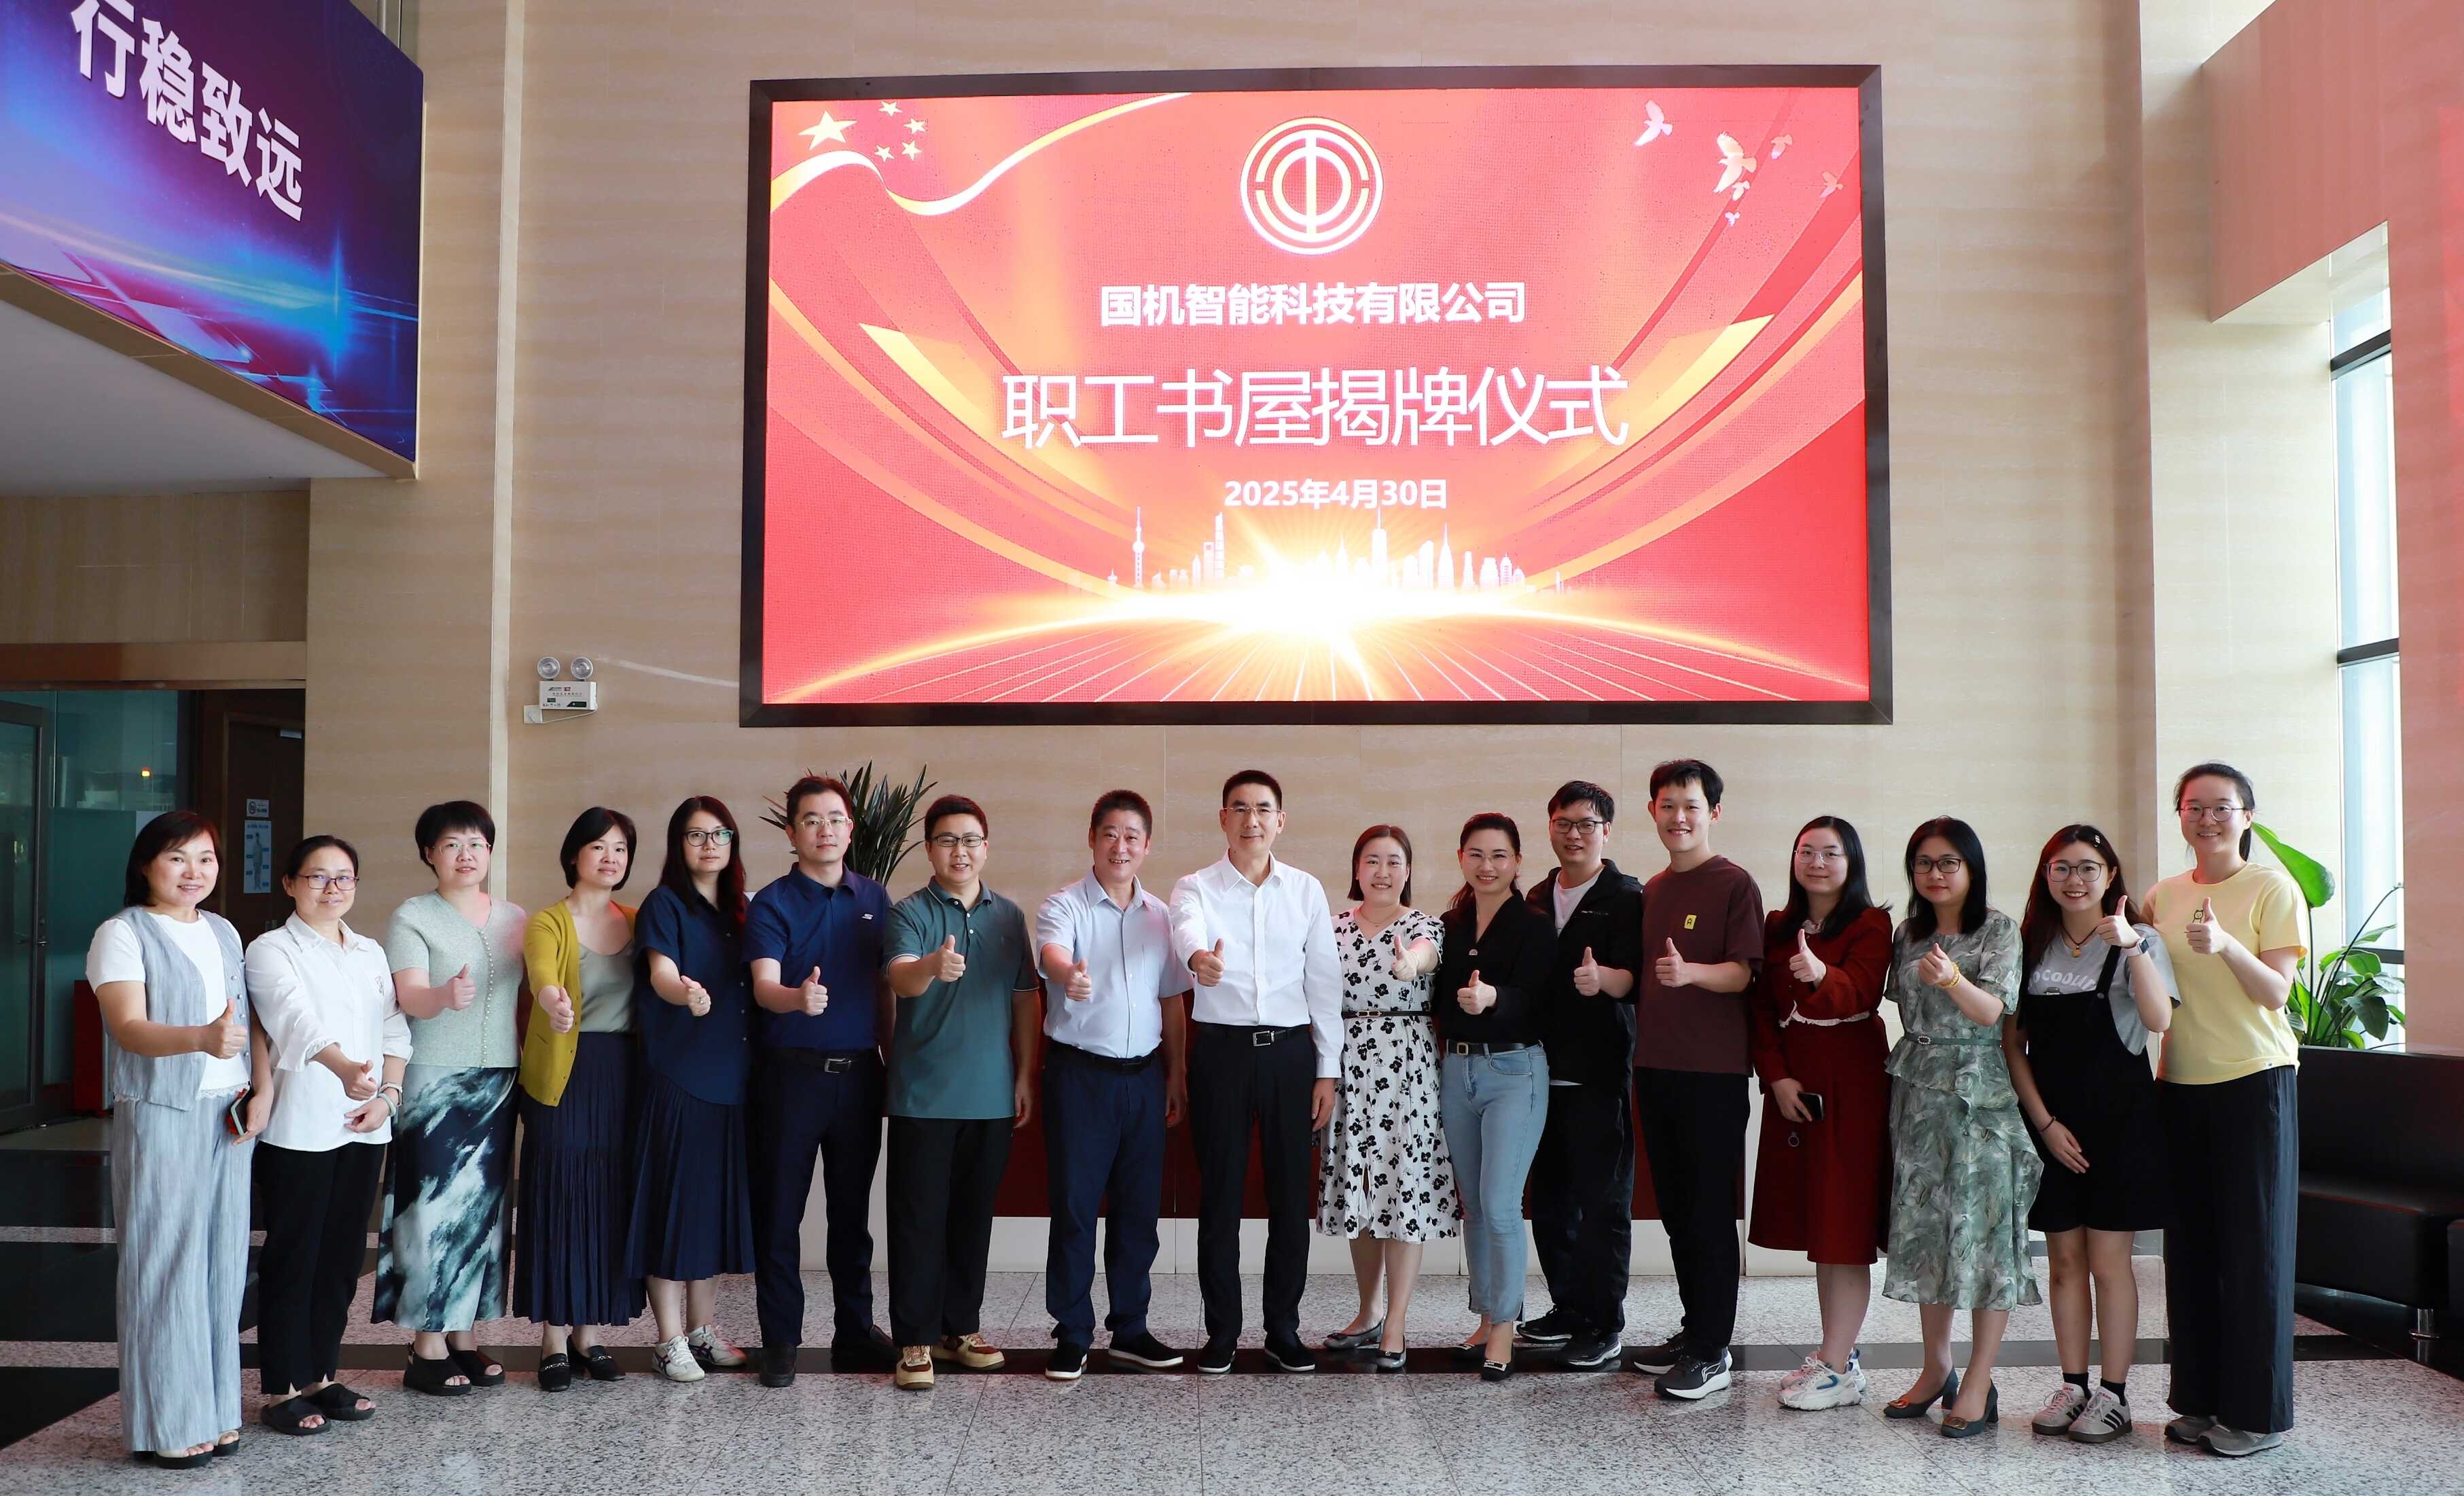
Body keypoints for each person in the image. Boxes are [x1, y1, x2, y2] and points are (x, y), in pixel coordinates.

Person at [90, 811, 268, 1465]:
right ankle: (167, 1424)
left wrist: (262, 1091)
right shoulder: (122, 933)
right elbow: (128, 1028)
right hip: (163, 1111)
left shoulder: (223, 930)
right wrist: (199, 1038)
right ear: (146, 865)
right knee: (164, 1265)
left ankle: (214, 1411)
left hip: (229, 1111)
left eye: (206, 859)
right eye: (177, 858)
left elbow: (248, 1024)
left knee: (222, 1265)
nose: (194, 872)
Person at [2146, 763, 2304, 1459]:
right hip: (2181, 1080)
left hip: (2253, 1079)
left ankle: (2256, 1416)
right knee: (2191, 1251)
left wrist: (2228, 945)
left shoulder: (2271, 887)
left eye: (2221, 807)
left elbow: (2276, 993)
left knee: (2254, 1252)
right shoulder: (2163, 894)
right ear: (2179, 815)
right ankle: (2201, 1400)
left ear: (2246, 816)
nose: (2206, 819)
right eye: (2194, 807)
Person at [2004, 823, 2176, 1444]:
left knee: (2109, 1263)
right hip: (2053, 1126)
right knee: (2063, 1263)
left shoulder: (2139, 938)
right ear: (2045, 875)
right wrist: (2044, 1125)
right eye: (2061, 868)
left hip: (2120, 1123)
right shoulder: (2031, 943)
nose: (2073, 880)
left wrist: (2131, 947)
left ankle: (2114, 1395)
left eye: (2086, 868)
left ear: (2109, 877)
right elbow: (2013, 1045)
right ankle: (2072, 1385)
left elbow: (2157, 1019)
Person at [1169, 769, 1342, 1375]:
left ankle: (1282, 1330)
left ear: (1280, 821)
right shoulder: (1194, 887)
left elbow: (1323, 983)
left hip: (1291, 1056)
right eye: (1239, 808)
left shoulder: (1305, 890)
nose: (1252, 820)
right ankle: (1221, 1332)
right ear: (1223, 819)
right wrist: (1198, 959)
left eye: (1263, 809)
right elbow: (1185, 932)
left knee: (1289, 1197)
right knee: (1219, 1194)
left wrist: (1327, 1070)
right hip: (1221, 1054)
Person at [245, 835, 411, 1433]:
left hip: (364, 1126)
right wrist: (344, 1069)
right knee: (295, 1256)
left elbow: (394, 1028)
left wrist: (388, 1097)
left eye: (344, 877)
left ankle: (321, 1375)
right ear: (290, 884)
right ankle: (281, 1388)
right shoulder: (270, 949)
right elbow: (293, 1020)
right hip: (300, 1127)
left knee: (341, 1259)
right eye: (317, 877)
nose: (332, 888)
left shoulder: (368, 951)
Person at [1880, 816, 2038, 1438]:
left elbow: (1993, 1011)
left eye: (1949, 862)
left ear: (1971, 868)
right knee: (1927, 1232)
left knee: (1982, 1235)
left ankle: (1978, 1380)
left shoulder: (1997, 929)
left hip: (1978, 1095)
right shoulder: (1907, 933)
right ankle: (1935, 1368)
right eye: (1923, 863)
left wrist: (1952, 979)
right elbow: (1898, 1003)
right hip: (1917, 1089)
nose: (1935, 873)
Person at [882, 794, 1041, 1390]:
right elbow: (900, 977)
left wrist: (1024, 1075)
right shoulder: (909, 912)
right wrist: (930, 967)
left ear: (986, 848)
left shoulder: (1009, 917)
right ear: (929, 849)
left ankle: (959, 1331)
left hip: (991, 1096)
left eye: (971, 840)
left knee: (972, 1221)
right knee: (918, 1221)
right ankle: (914, 1340)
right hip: (923, 1098)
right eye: (947, 840)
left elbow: (1024, 999)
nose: (960, 851)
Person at [1033, 790, 1191, 1380]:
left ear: (1146, 846)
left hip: (1144, 1079)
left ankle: (1130, 1328)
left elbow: (1171, 1000)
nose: (1119, 847)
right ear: (1092, 839)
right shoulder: (1064, 906)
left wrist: (1176, 1074)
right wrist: (1067, 974)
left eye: (1131, 837)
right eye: (1109, 834)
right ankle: (1072, 1332)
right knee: (1075, 1209)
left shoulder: (1161, 916)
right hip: (1080, 1076)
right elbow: (1052, 953)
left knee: (1138, 1212)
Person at [746, 774, 897, 1385]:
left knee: (852, 1217)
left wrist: (892, 1061)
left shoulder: (875, 897)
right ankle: (781, 1339)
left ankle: (855, 1332)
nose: (825, 830)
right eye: (811, 820)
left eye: (835, 819)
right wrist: (796, 999)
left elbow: (885, 990)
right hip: (791, 1078)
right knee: (779, 1214)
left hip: (860, 1077)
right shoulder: (772, 902)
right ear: (792, 832)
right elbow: (763, 986)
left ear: (850, 829)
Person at [1626, 760, 1765, 1398]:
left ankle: (1713, 1351)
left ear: (1713, 812)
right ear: (1652, 812)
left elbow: (1743, 973)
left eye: (1690, 806)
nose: (1677, 817)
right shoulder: (1653, 889)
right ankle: (1694, 1330)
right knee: (1678, 1212)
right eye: (1666, 806)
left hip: (1713, 1074)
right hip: (1655, 1068)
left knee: (1708, 1213)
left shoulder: (1734, 883)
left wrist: (1691, 974)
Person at [378, 802, 524, 1395]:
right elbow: (409, 995)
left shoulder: (515, 918)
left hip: (499, 1078)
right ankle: (426, 1346)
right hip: (433, 1079)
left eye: (477, 844)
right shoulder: (413, 916)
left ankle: (463, 1334)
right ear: (428, 854)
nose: (467, 855)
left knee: (484, 1213)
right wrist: (442, 996)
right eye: (452, 844)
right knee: (431, 1210)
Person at [1747, 816, 1893, 1410]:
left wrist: (1819, 975)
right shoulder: (1777, 924)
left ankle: (1837, 1364)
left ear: (1850, 862)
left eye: (1830, 853)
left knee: (1845, 1227)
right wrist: (1776, 1076)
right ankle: (1836, 1357)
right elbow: (1759, 1009)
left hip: (1852, 1081)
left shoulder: (1871, 922)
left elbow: (1860, 991)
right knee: (1819, 1226)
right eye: (1806, 851)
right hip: (1795, 1080)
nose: (1816, 863)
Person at [513, 807, 645, 1388]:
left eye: (620, 848)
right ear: (573, 855)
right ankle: (553, 1338)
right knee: (560, 1196)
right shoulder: (549, 920)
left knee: (609, 1199)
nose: (610, 857)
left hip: (624, 1074)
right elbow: (542, 973)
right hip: (564, 1073)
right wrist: (553, 1001)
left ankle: (589, 1334)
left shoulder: (638, 920)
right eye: (598, 846)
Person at [628, 797, 758, 1383]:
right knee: (671, 1208)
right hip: (679, 1075)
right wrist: (684, 991)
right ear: (678, 845)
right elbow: (661, 972)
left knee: (709, 1211)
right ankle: (668, 1338)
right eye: (696, 835)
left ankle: (702, 1330)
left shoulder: (741, 909)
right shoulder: (665, 904)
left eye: (720, 834)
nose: (709, 845)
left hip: (732, 1078)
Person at [1315, 823, 1452, 1372]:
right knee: (1361, 1190)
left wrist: (1408, 963)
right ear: (1356, 869)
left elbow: (1425, 956)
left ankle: (1395, 1322)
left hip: (1407, 1071)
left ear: (1408, 871)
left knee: (1403, 1189)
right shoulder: (1329, 928)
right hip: (1347, 1066)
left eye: (1394, 861)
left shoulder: (1424, 925)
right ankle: (1368, 1311)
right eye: (1372, 860)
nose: (1382, 871)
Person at [1520, 780, 1641, 1371]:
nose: (1574, 834)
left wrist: (1605, 981)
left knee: (1602, 1205)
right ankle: (1567, 1306)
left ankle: (1603, 1322)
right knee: (1550, 1204)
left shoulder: (1627, 897)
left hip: (1598, 1074)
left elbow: (1638, 978)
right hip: (1536, 1076)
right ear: (1550, 827)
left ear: (1606, 832)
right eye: (1564, 823)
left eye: (1587, 824)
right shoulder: (1535, 898)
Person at [1433, 813, 1554, 1382]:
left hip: (1514, 1070)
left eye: (1499, 855)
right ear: (1461, 858)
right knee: (1475, 1206)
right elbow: (1436, 997)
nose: (1487, 866)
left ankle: (1505, 1324)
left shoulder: (1533, 924)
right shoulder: (1449, 925)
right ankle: (1485, 1316)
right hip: (1456, 1070)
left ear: (1517, 862)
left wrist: (1494, 999)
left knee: (1501, 1204)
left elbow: (1540, 1001)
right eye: (1476, 855)